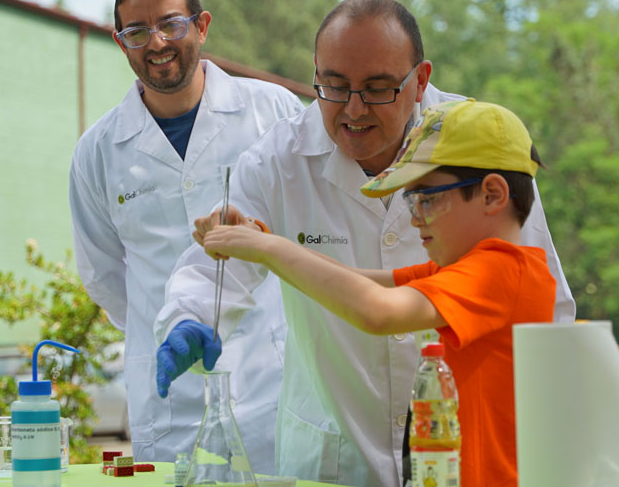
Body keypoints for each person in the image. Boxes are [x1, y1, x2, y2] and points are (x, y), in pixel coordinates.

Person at [154, 0, 575, 486]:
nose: (353, 109)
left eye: (377, 89)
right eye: (333, 86)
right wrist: (193, 312)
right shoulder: (278, 159)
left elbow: (385, 311)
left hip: (463, 457)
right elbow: (224, 270)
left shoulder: (477, 149)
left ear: (419, 81)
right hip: (336, 448)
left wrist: (274, 249)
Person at [200, 99, 553, 487]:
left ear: (491, 194)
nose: (415, 218)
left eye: (427, 199)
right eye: (411, 201)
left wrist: (270, 250)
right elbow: (362, 282)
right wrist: (261, 240)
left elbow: (378, 311)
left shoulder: (501, 271)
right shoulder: (465, 270)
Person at [68, 0, 303, 470]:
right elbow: (104, 275)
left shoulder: (274, 112)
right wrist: (165, 325)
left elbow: (307, 232)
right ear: (120, 41)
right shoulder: (98, 151)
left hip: (268, 382)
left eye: (171, 23)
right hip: (168, 398)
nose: (156, 42)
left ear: (202, 25)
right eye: (137, 31)